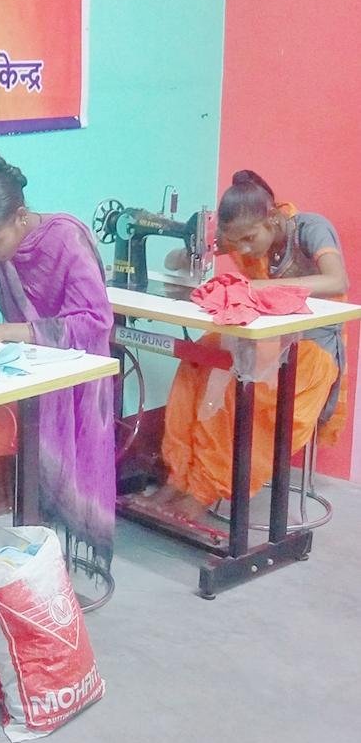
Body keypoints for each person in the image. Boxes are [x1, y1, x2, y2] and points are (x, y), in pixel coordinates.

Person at [0, 151, 117, 569]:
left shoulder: (66, 240)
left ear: (21, 217)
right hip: (29, 372)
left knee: (47, 472)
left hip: (76, 379)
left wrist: (3, 331)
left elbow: (93, 322)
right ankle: (20, 563)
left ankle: (46, 568)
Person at [148, 169, 349, 521]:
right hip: (262, 336)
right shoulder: (246, 234)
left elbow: (337, 280)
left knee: (239, 394)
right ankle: (179, 477)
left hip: (309, 347)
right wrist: (189, 251)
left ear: (272, 219)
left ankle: (203, 489)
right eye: (235, 242)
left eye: (248, 239)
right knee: (196, 361)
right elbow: (177, 260)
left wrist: (258, 287)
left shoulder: (311, 228)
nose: (242, 249)